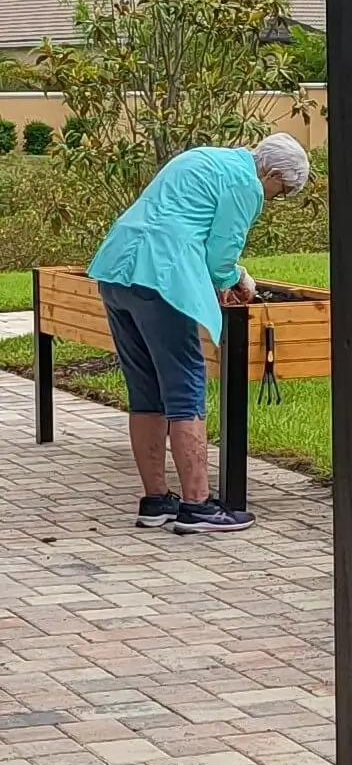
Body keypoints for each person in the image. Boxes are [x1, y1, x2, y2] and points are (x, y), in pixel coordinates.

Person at [86, 134, 312, 535]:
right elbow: (220, 254)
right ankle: (197, 506)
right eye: (280, 192)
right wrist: (237, 278)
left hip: (117, 268)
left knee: (146, 392)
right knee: (185, 389)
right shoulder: (246, 184)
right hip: (160, 277)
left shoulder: (206, 157)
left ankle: (156, 501)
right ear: (273, 172)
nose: (273, 199)